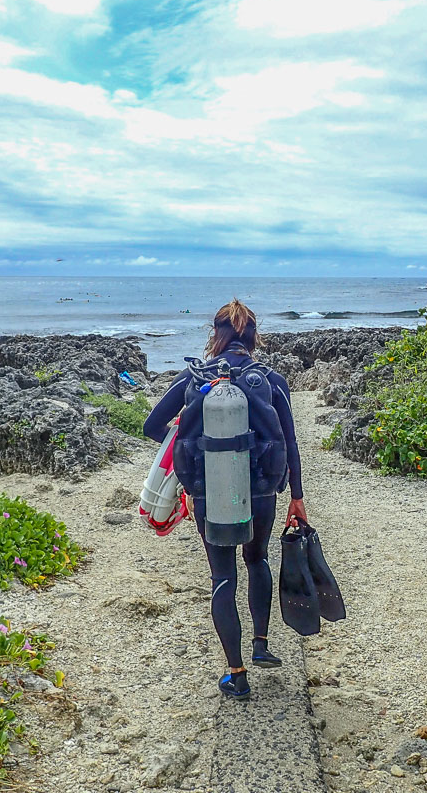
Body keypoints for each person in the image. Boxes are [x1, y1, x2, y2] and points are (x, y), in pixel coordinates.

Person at [143, 300, 306, 700]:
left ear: (215, 334)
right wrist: (297, 497)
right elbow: (290, 443)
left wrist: (190, 442)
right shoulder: (269, 379)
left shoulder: (193, 379)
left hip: (208, 494)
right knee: (257, 559)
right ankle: (261, 643)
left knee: (223, 577)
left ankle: (236, 674)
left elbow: (151, 427)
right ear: (254, 337)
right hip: (264, 491)